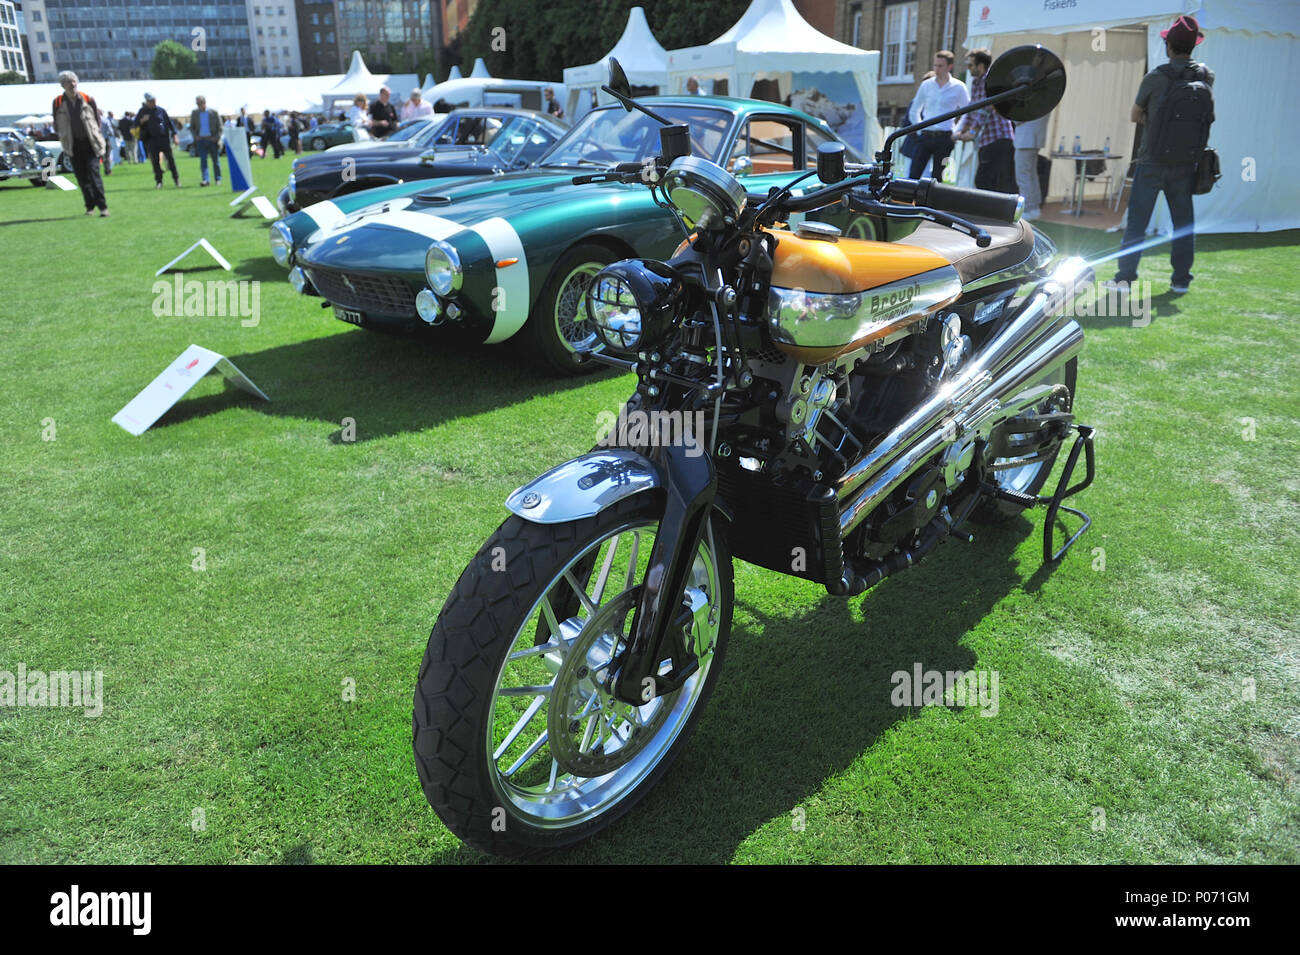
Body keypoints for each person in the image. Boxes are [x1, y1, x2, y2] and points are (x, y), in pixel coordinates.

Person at [1111, 15, 1215, 295]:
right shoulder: (1206, 77)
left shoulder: (1156, 76)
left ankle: (1125, 280)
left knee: (1137, 225)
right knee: (1183, 225)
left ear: (1168, 45)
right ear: (1193, 46)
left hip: (1151, 161)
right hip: (1185, 163)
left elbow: (1135, 115)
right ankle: (1180, 280)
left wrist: (1155, 121)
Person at [952, 49, 1016, 194]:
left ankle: (992, 214)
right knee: (985, 180)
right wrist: (960, 130)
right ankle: (992, 214)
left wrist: (973, 131)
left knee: (986, 180)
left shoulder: (988, 81)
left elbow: (985, 108)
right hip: (987, 140)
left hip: (998, 137)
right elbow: (972, 108)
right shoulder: (976, 82)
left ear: (981, 66)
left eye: (971, 65)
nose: (968, 69)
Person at [51, 70, 108, 217]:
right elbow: (56, 123)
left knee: (94, 175)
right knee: (82, 178)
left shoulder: (87, 98)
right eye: (68, 82)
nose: (72, 84)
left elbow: (97, 120)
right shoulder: (58, 102)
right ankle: (90, 207)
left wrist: (98, 137)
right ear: (62, 85)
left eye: (74, 81)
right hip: (73, 145)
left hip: (90, 144)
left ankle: (103, 207)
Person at [906, 51, 969, 181]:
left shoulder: (959, 87)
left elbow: (967, 112)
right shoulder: (927, 85)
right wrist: (919, 129)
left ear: (949, 67)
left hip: (945, 138)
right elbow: (914, 109)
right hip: (926, 136)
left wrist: (957, 131)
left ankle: (932, 202)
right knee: (914, 174)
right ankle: (909, 201)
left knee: (938, 176)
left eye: (941, 66)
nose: (937, 69)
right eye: (935, 65)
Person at [138, 93, 181, 188]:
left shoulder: (161, 110)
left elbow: (170, 124)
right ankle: (159, 182)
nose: (153, 103)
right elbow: (135, 125)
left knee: (171, 160)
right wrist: (142, 121)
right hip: (151, 140)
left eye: (154, 100)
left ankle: (176, 179)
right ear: (147, 102)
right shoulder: (142, 111)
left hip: (164, 139)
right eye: (151, 101)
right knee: (155, 162)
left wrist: (175, 135)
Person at [1013, 115, 1048, 220]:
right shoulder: (1046, 99)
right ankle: (1034, 208)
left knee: (1023, 175)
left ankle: (1027, 209)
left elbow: (1019, 118)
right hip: (1036, 137)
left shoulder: (1030, 100)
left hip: (1025, 139)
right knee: (1031, 174)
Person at [190, 95, 222, 186]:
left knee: (216, 161)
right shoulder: (195, 113)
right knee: (203, 161)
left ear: (204, 102)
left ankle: (218, 179)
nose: (198, 105)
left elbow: (220, 127)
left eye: (199, 103)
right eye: (197, 103)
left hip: (212, 140)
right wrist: (195, 136)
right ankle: (205, 180)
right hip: (201, 140)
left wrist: (216, 138)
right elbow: (192, 127)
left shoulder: (213, 112)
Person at [99, 109, 118, 175]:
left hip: (97, 140)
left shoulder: (94, 120)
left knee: (100, 156)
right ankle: (107, 170)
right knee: (107, 156)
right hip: (105, 139)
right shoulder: (105, 120)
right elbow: (110, 131)